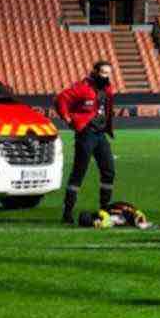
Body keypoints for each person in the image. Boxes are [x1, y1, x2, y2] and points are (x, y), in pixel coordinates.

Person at [56, 61, 117, 225]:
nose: (107, 76)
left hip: (100, 135)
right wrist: (68, 119)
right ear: (95, 72)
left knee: (109, 171)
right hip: (86, 134)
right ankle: (67, 213)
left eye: (109, 73)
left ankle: (104, 210)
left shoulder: (108, 88)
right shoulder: (82, 87)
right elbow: (61, 98)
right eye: (104, 72)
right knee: (78, 173)